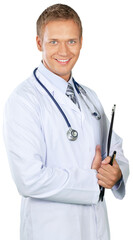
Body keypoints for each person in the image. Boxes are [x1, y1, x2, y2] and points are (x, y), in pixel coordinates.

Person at [3, 4, 129, 240]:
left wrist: (117, 173)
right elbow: (28, 179)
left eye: (71, 41)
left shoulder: (89, 97)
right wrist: (93, 181)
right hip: (50, 231)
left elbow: (114, 148)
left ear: (81, 42)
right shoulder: (23, 100)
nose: (64, 51)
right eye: (54, 42)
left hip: (96, 229)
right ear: (39, 43)